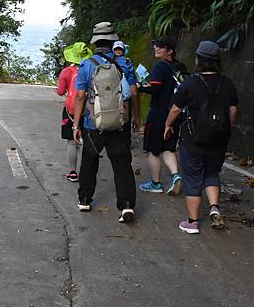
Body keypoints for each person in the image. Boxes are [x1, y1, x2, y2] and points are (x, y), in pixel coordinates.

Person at [164, 40, 239, 234]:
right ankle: (214, 207)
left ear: (198, 60)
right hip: (219, 139)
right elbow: (232, 111)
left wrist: (168, 125)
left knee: (193, 178)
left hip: (193, 140)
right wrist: (225, 130)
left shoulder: (190, 83)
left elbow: (175, 109)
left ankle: (192, 222)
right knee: (212, 174)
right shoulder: (227, 83)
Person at [72, 22, 141, 223]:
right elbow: (134, 92)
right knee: (122, 163)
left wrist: (76, 125)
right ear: (112, 41)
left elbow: (80, 96)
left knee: (89, 160)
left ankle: (85, 199)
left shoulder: (87, 64)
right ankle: (127, 206)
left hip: (94, 124)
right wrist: (137, 117)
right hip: (120, 123)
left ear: (95, 42)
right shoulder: (124, 63)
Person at [138, 35, 188, 195]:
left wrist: (138, 87)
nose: (156, 48)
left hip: (159, 114)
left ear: (170, 51)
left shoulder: (161, 67)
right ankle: (175, 176)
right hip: (175, 114)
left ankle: (155, 183)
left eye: (160, 47)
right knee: (169, 148)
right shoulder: (181, 67)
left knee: (153, 150)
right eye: (155, 46)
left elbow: (154, 88)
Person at [57, 42, 93, 182]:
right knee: (87, 140)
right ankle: (87, 171)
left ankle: (72, 172)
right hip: (88, 109)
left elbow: (60, 91)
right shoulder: (90, 69)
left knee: (71, 142)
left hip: (71, 110)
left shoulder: (67, 71)